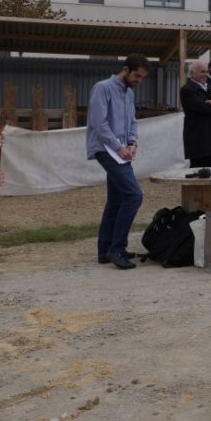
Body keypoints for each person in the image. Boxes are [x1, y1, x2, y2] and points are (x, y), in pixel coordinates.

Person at [86, 54, 150, 270]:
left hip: (120, 151)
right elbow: (99, 123)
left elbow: (132, 120)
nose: (138, 80)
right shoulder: (102, 88)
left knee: (116, 200)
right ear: (125, 69)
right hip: (106, 150)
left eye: (141, 77)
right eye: (136, 75)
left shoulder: (129, 93)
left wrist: (132, 142)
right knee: (133, 195)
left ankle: (105, 250)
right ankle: (117, 248)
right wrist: (119, 147)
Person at [181, 59, 211, 168]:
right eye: (202, 72)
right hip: (200, 142)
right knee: (200, 175)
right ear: (192, 73)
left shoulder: (210, 88)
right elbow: (204, 108)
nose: (205, 74)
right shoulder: (187, 90)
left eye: (206, 72)